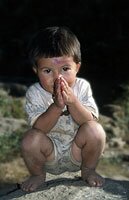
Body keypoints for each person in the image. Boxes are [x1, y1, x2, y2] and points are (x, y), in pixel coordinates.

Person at [20, 26, 106, 192]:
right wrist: (57, 107)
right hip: (49, 154)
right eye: (47, 71)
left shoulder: (82, 87)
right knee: (30, 139)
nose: (57, 77)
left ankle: (88, 170)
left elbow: (89, 121)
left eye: (65, 69)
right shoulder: (35, 92)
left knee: (95, 130)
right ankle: (38, 175)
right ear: (36, 71)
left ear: (77, 67)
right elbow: (39, 128)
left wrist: (73, 102)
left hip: (78, 152)